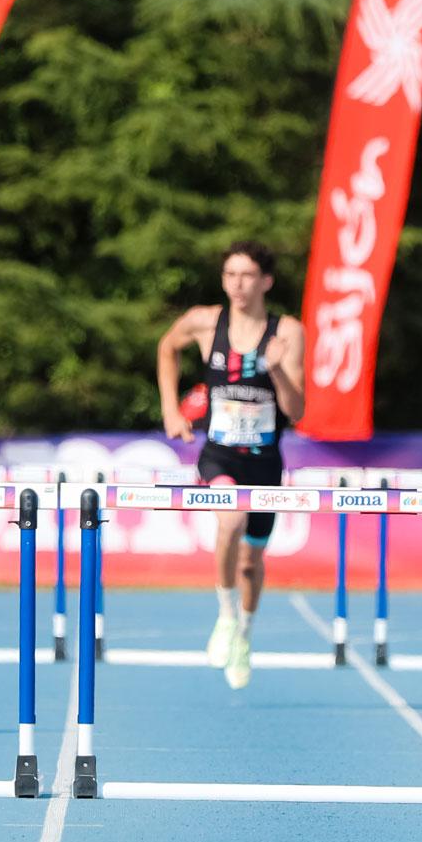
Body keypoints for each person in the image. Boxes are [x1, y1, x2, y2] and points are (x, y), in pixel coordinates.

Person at [156, 241, 305, 690]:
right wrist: (170, 409)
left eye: (246, 276)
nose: (237, 284)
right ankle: (224, 615)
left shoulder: (287, 332)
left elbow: (296, 412)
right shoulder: (206, 322)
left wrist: (277, 370)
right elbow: (167, 347)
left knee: (251, 561)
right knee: (230, 520)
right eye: (229, 275)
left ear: (265, 281)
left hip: (264, 459)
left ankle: (243, 633)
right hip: (218, 453)